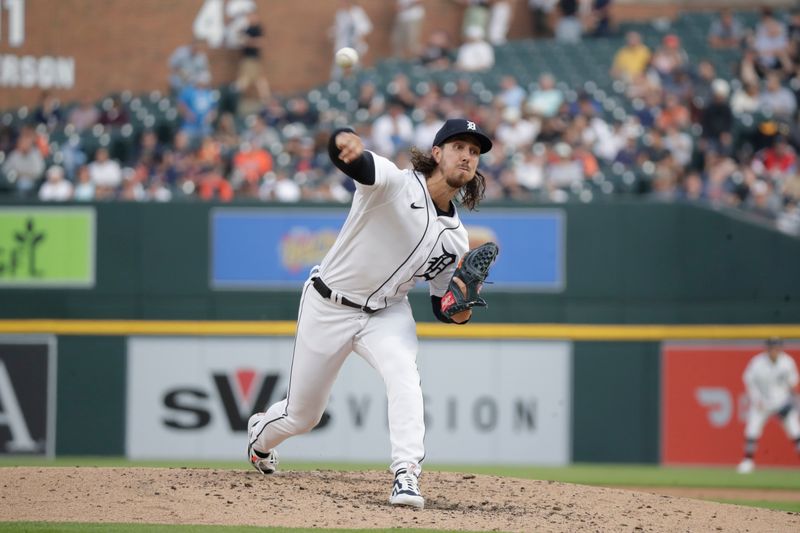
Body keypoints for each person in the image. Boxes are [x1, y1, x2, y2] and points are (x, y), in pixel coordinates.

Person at [247, 118, 494, 509]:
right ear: (436, 153)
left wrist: (461, 302)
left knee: (404, 374)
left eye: (474, 151)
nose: (467, 155)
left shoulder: (456, 238)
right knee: (302, 416)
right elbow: (357, 162)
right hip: (329, 303)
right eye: (459, 146)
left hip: (386, 313)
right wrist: (341, 141)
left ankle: (406, 474)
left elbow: (442, 308)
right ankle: (259, 437)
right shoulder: (394, 183)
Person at [737, 337, 800, 474]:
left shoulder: (787, 362)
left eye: (776, 347)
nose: (774, 350)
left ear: (780, 348)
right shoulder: (758, 362)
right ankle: (748, 461)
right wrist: (755, 398)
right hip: (762, 403)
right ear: (767, 348)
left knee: (795, 431)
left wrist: (792, 401)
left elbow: (794, 383)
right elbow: (748, 379)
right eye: (771, 347)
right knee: (752, 429)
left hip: (782, 402)